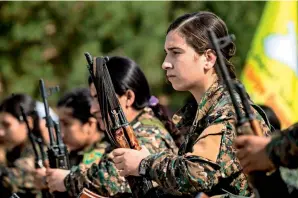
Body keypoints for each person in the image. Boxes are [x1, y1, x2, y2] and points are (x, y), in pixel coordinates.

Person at [111, 11, 271, 197]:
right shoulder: (196, 112)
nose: (165, 64)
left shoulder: (229, 112)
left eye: (176, 53)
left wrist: (144, 163)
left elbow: (197, 174)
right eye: (166, 54)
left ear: (209, 59)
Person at [46, 56, 178, 197]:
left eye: (99, 98)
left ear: (128, 97)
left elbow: (110, 180)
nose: (93, 109)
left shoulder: (147, 134)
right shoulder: (123, 134)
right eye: (92, 99)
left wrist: (67, 181)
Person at [0, 94, 55, 198]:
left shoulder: (40, 153)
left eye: (6, 125)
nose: (1, 132)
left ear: (28, 122)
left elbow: (10, 180)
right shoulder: (13, 150)